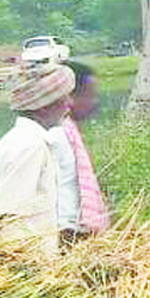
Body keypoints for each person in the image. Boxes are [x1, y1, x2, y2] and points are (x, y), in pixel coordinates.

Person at [0, 63, 76, 256]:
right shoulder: (30, 147)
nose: (69, 104)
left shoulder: (23, 140)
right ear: (42, 108)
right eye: (62, 98)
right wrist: (26, 270)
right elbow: (6, 215)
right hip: (26, 263)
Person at [48, 61, 110, 246]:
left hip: (76, 230)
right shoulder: (55, 135)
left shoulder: (68, 131)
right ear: (69, 97)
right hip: (63, 232)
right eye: (89, 96)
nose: (94, 102)